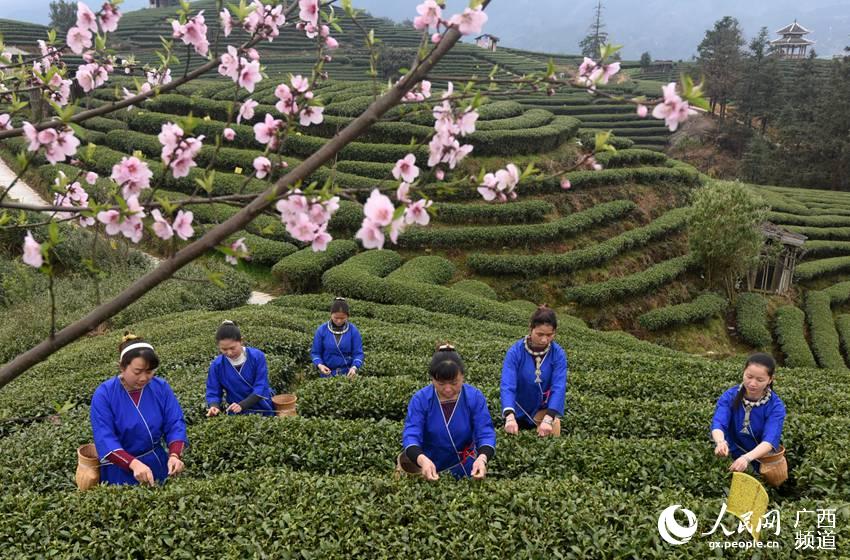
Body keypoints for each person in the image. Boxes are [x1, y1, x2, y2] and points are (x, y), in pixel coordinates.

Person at [90, 333, 188, 486]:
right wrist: (133, 464)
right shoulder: (105, 394)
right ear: (122, 367)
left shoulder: (160, 387)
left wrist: (174, 455)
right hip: (120, 470)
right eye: (137, 372)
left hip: (157, 463)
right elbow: (104, 438)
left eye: (149, 372)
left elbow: (174, 422)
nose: (143, 378)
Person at [398, 344, 496, 480]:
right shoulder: (421, 399)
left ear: (463, 376)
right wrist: (422, 460)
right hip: (428, 466)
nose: (448, 389)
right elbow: (411, 434)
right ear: (432, 379)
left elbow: (485, 432)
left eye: (454, 383)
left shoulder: (474, 397)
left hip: (466, 467)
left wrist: (482, 458)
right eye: (441, 384)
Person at [711, 353, 787, 481]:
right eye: (749, 376)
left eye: (760, 380)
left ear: (770, 379)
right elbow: (719, 422)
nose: (752, 383)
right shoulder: (730, 396)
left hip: (760, 458)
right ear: (743, 372)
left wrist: (746, 458)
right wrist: (720, 442)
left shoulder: (775, 406)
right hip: (731, 451)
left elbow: (769, 440)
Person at [500, 306, 568, 437]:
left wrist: (549, 418)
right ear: (531, 328)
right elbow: (507, 385)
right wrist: (509, 415)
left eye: (549, 335)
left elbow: (559, 386)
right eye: (540, 334)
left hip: (543, 412)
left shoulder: (558, 354)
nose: (544, 340)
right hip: (517, 411)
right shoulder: (515, 352)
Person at [206, 320, 275, 416]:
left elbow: (261, 385)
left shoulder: (256, 356)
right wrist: (214, 406)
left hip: (262, 406)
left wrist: (243, 405)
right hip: (236, 410)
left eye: (232, 348)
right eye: (224, 349)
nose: (229, 353)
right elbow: (213, 390)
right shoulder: (217, 365)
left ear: (241, 341)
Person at [310, 297, 364, 378]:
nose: (339, 321)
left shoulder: (353, 331)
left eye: (342, 318)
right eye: (336, 318)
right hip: (327, 373)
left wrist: (354, 367)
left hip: (348, 374)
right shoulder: (322, 330)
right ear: (331, 314)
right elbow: (315, 353)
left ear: (347, 316)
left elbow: (358, 353)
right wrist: (320, 365)